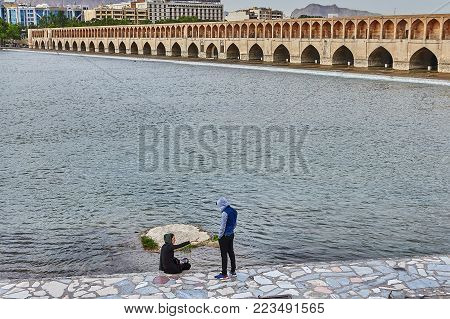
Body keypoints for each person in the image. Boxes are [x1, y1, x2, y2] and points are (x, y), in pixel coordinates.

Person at [214, 197, 238, 280]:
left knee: (223, 254)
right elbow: (235, 224)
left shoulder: (225, 213)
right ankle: (233, 271)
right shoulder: (234, 211)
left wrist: (219, 236)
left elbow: (222, 226)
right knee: (231, 252)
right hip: (231, 234)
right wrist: (231, 231)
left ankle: (224, 274)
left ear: (221, 204)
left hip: (224, 236)